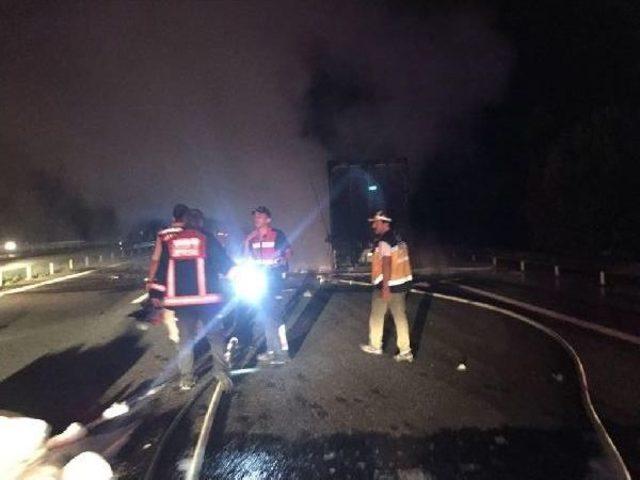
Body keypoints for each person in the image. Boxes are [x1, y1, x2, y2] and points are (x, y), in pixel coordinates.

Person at [149, 209, 235, 390]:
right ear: (201, 223)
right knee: (215, 337)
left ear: (184, 222)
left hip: (183, 303)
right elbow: (224, 264)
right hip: (207, 301)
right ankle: (221, 372)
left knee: (186, 341)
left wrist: (156, 294)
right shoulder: (207, 239)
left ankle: (186, 378)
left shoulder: (171, 242)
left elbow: (162, 270)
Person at [360, 210, 414, 362]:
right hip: (401, 284)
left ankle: (375, 345)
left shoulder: (384, 241)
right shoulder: (399, 238)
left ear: (384, 222)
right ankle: (405, 351)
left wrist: (385, 287)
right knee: (400, 317)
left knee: (377, 315)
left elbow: (386, 262)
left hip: (387, 285)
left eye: (376, 222)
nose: (373, 226)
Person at [243, 206, 292, 366]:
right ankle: (273, 350)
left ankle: (281, 354)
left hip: (274, 281)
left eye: (260, 216)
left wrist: (279, 260)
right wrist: (246, 241)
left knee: (272, 317)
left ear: (268, 219)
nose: (256, 219)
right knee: (266, 317)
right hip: (259, 281)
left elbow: (288, 253)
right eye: (255, 216)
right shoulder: (253, 238)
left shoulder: (277, 235)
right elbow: (246, 258)